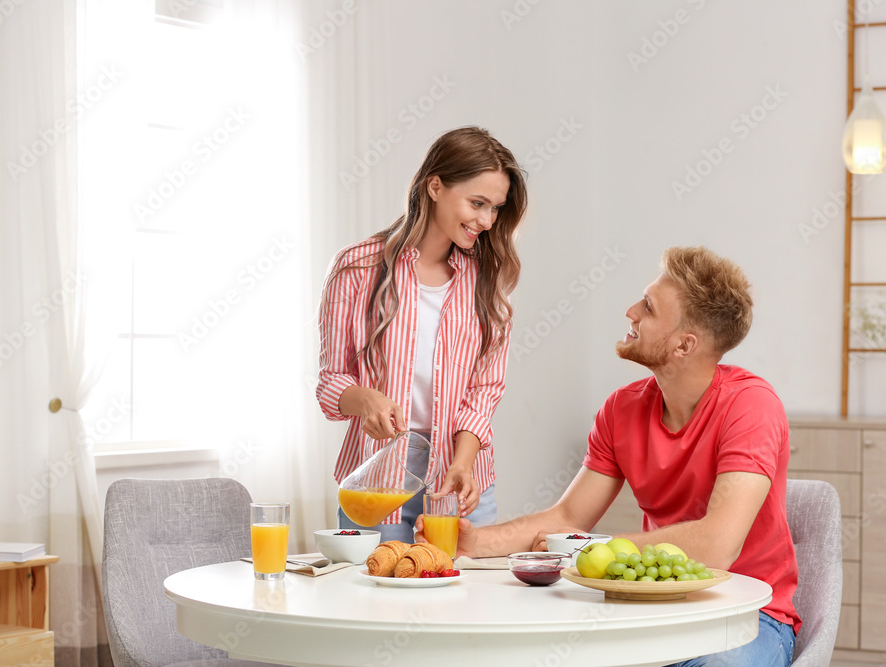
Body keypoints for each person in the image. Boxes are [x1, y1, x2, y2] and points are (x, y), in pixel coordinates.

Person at [426, 246, 800, 667]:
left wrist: (595, 548)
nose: (631, 311)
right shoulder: (621, 409)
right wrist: (478, 543)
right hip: (650, 607)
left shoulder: (751, 406)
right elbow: (569, 519)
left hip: (746, 616)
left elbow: (717, 546)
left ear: (684, 344)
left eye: (648, 307)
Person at [316, 126, 528, 543]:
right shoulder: (357, 268)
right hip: (378, 476)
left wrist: (464, 462)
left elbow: (484, 392)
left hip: (461, 474)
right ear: (435, 186)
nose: (486, 221)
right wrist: (366, 399)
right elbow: (330, 381)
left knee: (465, 600)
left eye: (496, 208)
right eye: (477, 203)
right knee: (376, 600)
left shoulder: (485, 281)